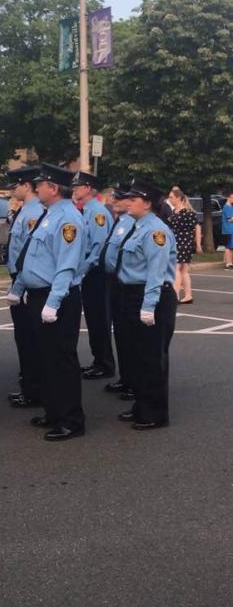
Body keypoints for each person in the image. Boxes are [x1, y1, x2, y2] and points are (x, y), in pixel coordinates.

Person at [7, 163, 86, 442]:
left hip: (57, 297)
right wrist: (19, 288)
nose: (36, 187)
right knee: (46, 359)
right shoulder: (49, 215)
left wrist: (52, 303)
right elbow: (30, 256)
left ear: (53, 188)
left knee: (61, 360)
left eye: (40, 184)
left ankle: (71, 420)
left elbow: (66, 266)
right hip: (38, 294)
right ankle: (54, 412)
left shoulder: (68, 220)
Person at [116, 179, 177, 430]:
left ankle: (154, 413)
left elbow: (156, 272)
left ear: (148, 204)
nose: (128, 202)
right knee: (137, 356)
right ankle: (141, 404)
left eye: (134, 199)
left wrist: (148, 305)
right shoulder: (138, 225)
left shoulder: (155, 231)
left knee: (152, 358)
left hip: (151, 296)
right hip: (131, 294)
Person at [5, 166, 44, 408]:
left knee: (30, 339)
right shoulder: (24, 210)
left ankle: (34, 389)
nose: (12, 190)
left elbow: (30, 253)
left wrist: (20, 285)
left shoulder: (34, 213)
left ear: (26, 186)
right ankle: (29, 385)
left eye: (15, 185)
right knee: (25, 338)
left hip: (26, 280)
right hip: (20, 278)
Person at [72, 171, 115, 380]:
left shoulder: (97, 212)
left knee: (99, 318)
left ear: (88, 188)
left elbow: (98, 247)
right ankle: (99, 360)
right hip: (90, 272)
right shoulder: (86, 210)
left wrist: (82, 271)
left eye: (77, 186)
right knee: (93, 317)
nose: (74, 189)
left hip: (95, 273)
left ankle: (105, 363)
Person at [98, 183, 135, 398]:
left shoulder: (131, 222)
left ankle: (134, 382)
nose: (113, 201)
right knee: (120, 334)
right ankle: (126, 377)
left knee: (130, 337)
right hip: (113, 281)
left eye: (117, 198)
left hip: (124, 283)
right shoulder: (120, 220)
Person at [166, 188, 201, 304]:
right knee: (184, 270)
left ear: (178, 198)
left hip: (184, 242)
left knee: (177, 268)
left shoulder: (187, 212)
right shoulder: (174, 212)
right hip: (176, 241)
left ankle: (175, 295)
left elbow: (197, 228)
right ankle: (188, 295)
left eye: (171, 197)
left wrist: (198, 244)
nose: (169, 199)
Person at [221, 192, 233, 269]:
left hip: (231, 230)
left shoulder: (231, 207)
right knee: (228, 247)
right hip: (228, 230)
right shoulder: (227, 207)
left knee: (231, 247)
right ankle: (228, 263)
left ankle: (230, 262)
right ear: (229, 198)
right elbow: (230, 219)